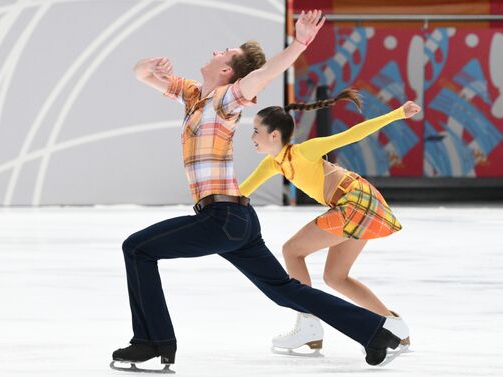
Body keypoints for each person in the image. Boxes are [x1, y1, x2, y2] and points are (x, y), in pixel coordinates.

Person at [111, 10, 407, 373]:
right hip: (236, 221)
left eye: (225, 51)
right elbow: (142, 75)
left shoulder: (226, 100)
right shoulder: (191, 95)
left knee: (137, 248)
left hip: (222, 218)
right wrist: (148, 65)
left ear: (227, 71)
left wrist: (299, 42)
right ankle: (375, 331)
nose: (217, 50)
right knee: (284, 290)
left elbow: (265, 75)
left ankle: (153, 341)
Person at [239, 89, 421, 356]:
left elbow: (351, 134)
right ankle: (395, 326)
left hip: (355, 202)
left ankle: (308, 323)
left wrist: (397, 114)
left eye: (256, 130)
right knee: (335, 277)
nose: (252, 137)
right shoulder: (274, 165)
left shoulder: (304, 151)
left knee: (292, 250)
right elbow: (241, 192)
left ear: (274, 135)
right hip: (359, 203)